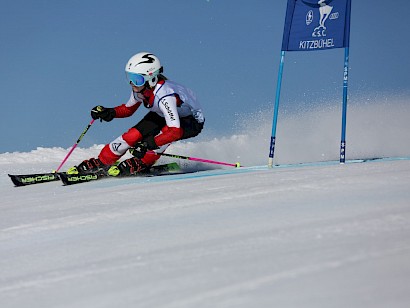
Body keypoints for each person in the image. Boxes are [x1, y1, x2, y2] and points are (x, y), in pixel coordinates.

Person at [68, 52, 205, 176]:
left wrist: (147, 145)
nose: (132, 83)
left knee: (162, 134)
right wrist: (108, 112)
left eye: (137, 79)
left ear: (151, 78)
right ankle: (102, 161)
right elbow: (128, 110)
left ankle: (143, 162)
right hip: (162, 114)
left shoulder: (165, 96)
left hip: (190, 121)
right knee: (132, 135)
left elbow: (174, 131)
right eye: (130, 77)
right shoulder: (141, 90)